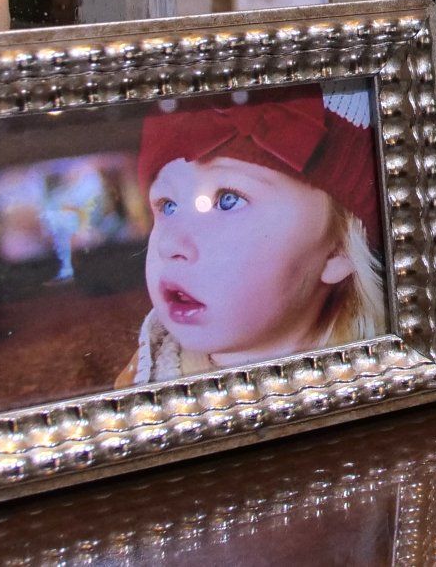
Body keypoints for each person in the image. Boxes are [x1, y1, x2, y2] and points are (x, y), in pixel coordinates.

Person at [119, 81, 387, 385]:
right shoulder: (145, 375)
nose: (169, 244)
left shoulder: (373, 373)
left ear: (339, 248)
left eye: (228, 200)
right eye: (167, 206)